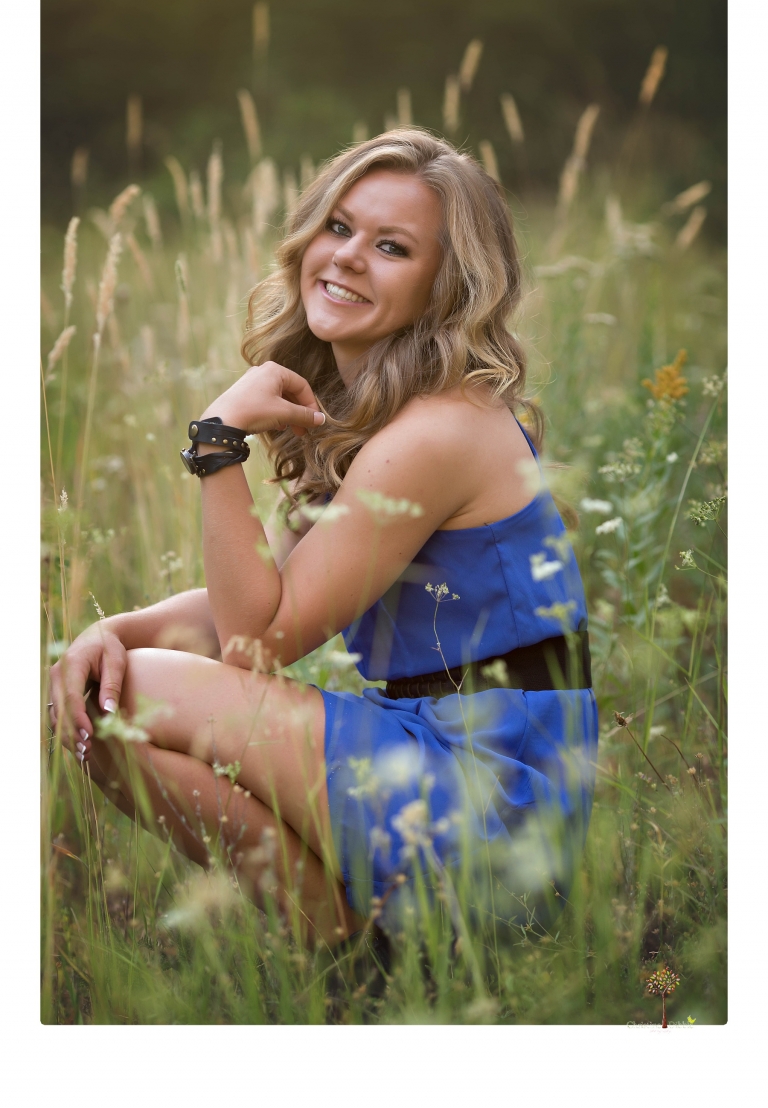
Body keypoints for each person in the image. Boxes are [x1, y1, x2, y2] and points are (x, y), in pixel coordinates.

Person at [49, 129, 598, 949]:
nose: (346, 256)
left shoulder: (436, 432)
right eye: (338, 227)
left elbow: (254, 643)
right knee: (104, 698)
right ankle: (358, 964)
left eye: (391, 247)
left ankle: (361, 960)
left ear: (445, 287)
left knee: (135, 695)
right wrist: (110, 634)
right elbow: (262, 593)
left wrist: (218, 445)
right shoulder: (377, 414)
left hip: (492, 795)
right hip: (429, 754)